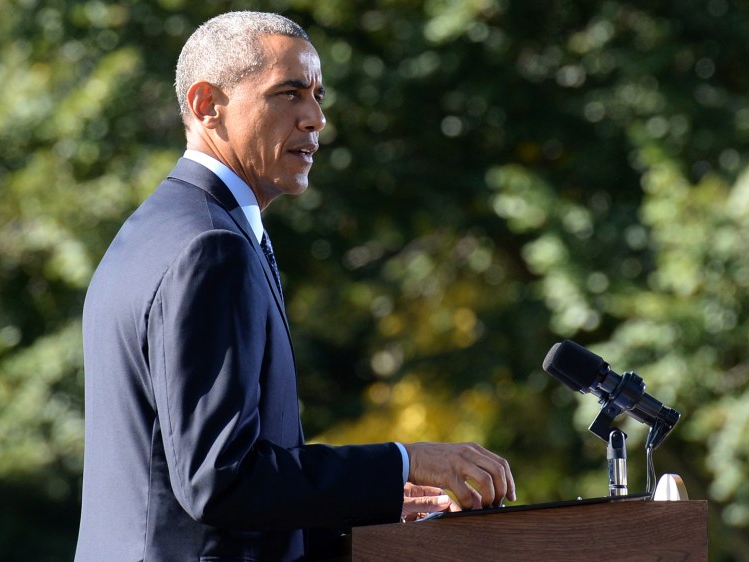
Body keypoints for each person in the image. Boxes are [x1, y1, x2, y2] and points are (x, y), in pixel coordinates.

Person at [75, 11, 514, 561]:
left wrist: (370, 498)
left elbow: (198, 479)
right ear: (207, 104)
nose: (315, 119)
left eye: (318, 95)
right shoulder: (211, 248)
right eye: (288, 93)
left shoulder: (157, 229)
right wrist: (406, 460)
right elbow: (220, 480)